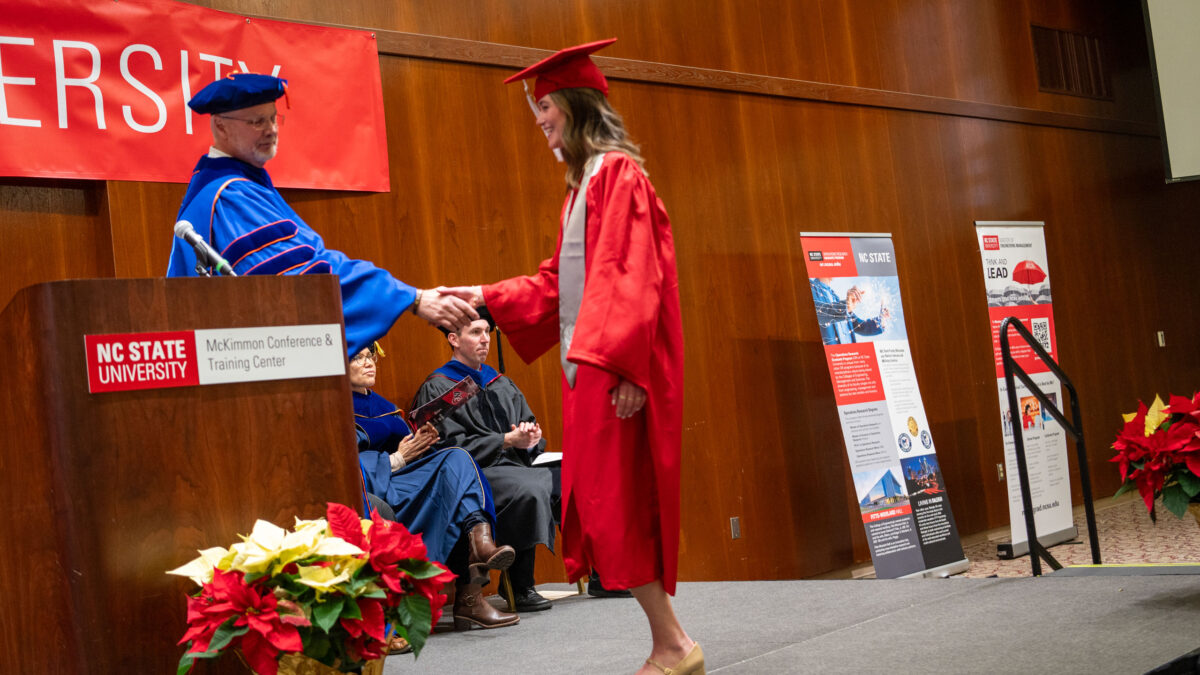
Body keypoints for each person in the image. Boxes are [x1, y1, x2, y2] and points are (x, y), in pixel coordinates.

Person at [441, 39, 702, 675]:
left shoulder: (617, 176)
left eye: (546, 112)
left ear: (576, 108)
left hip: (615, 370)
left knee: (620, 505)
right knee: (602, 506)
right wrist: (483, 294)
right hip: (593, 371)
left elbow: (631, 277)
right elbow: (559, 284)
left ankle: (674, 645)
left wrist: (624, 368)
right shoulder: (584, 188)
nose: (542, 126)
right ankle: (670, 642)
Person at [166, 72, 475, 355]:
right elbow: (297, 279)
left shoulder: (235, 184)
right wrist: (411, 298)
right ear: (220, 125)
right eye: (257, 121)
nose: (271, 130)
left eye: (274, 119)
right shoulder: (232, 194)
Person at [350, 342, 519, 631]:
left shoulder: (385, 409)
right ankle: (470, 598)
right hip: (375, 488)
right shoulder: (337, 410)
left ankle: (481, 542)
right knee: (460, 490)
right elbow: (346, 464)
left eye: (372, 356)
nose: (369, 363)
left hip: (403, 480)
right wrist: (398, 458)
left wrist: (419, 444)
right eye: (359, 358)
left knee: (457, 459)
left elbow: (410, 455)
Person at [412, 312, 561, 612]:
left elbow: (527, 423)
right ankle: (520, 586)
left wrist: (530, 437)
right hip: (478, 473)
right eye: (475, 332)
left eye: (487, 332)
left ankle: (600, 573)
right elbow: (448, 449)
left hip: (516, 463)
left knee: (571, 475)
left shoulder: (499, 382)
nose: (484, 339)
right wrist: (504, 441)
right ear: (453, 339)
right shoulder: (440, 388)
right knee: (529, 486)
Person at [810, 278, 890, 345]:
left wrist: (881, 319)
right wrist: (845, 307)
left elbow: (859, 326)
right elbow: (816, 312)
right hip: (834, 357)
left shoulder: (835, 297)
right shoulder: (810, 286)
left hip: (849, 358)